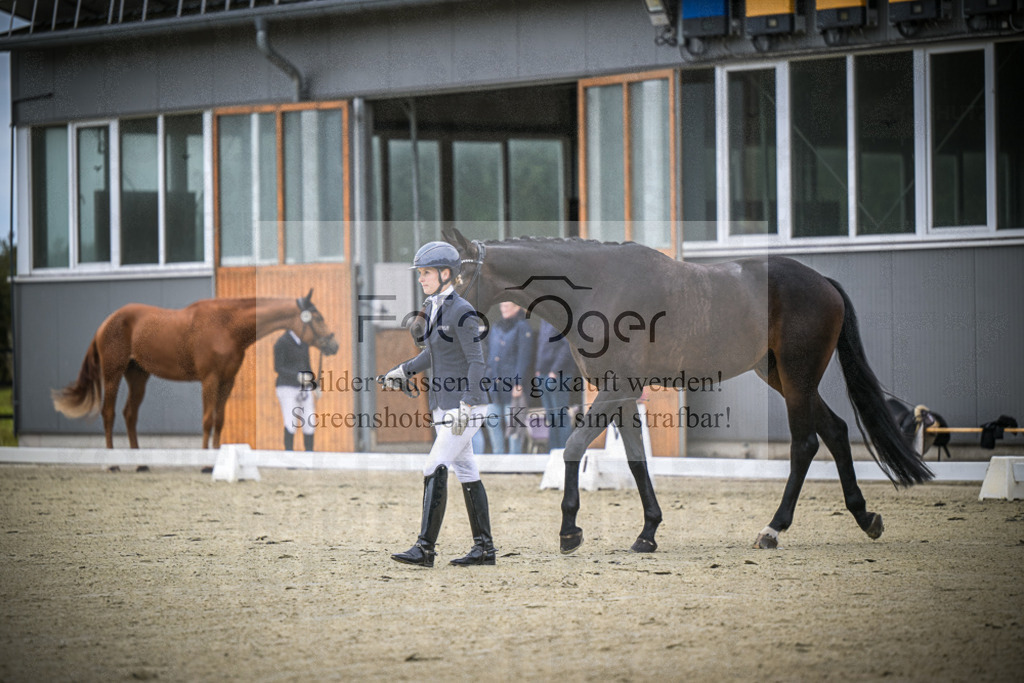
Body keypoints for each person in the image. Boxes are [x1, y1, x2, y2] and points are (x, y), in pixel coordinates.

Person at [381, 241, 494, 567]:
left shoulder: (463, 312)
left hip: (465, 407)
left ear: (446, 273)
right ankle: (484, 549)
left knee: (434, 465)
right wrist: (403, 369)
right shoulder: (432, 308)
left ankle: (425, 548)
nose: (421, 279)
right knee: (467, 470)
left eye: (426, 273)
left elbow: (477, 362)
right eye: (420, 273)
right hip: (445, 405)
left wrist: (468, 404)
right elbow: (434, 353)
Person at [474, 301, 533, 454]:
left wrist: (518, 383)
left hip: (512, 385)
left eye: (508, 306)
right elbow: (490, 355)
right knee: (492, 421)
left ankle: (514, 460)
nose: (504, 309)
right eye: (502, 306)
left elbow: (524, 358)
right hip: (493, 385)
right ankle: (497, 456)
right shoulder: (496, 327)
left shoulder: (523, 327)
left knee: (513, 424)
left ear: (517, 307)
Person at [534, 318, 578, 451]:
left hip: (558, 375)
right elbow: (542, 345)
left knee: (560, 416)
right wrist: (538, 369)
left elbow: (567, 347)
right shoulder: (544, 319)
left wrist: (555, 371)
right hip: (543, 374)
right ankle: (553, 452)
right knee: (551, 417)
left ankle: (564, 451)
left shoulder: (561, 318)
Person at [273, 329, 316, 451]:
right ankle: (289, 456)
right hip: (287, 387)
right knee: (291, 421)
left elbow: (307, 366)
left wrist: (314, 384)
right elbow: (278, 367)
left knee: (309, 421)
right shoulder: (281, 342)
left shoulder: (304, 343)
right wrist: (296, 376)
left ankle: (309, 456)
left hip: (304, 387)